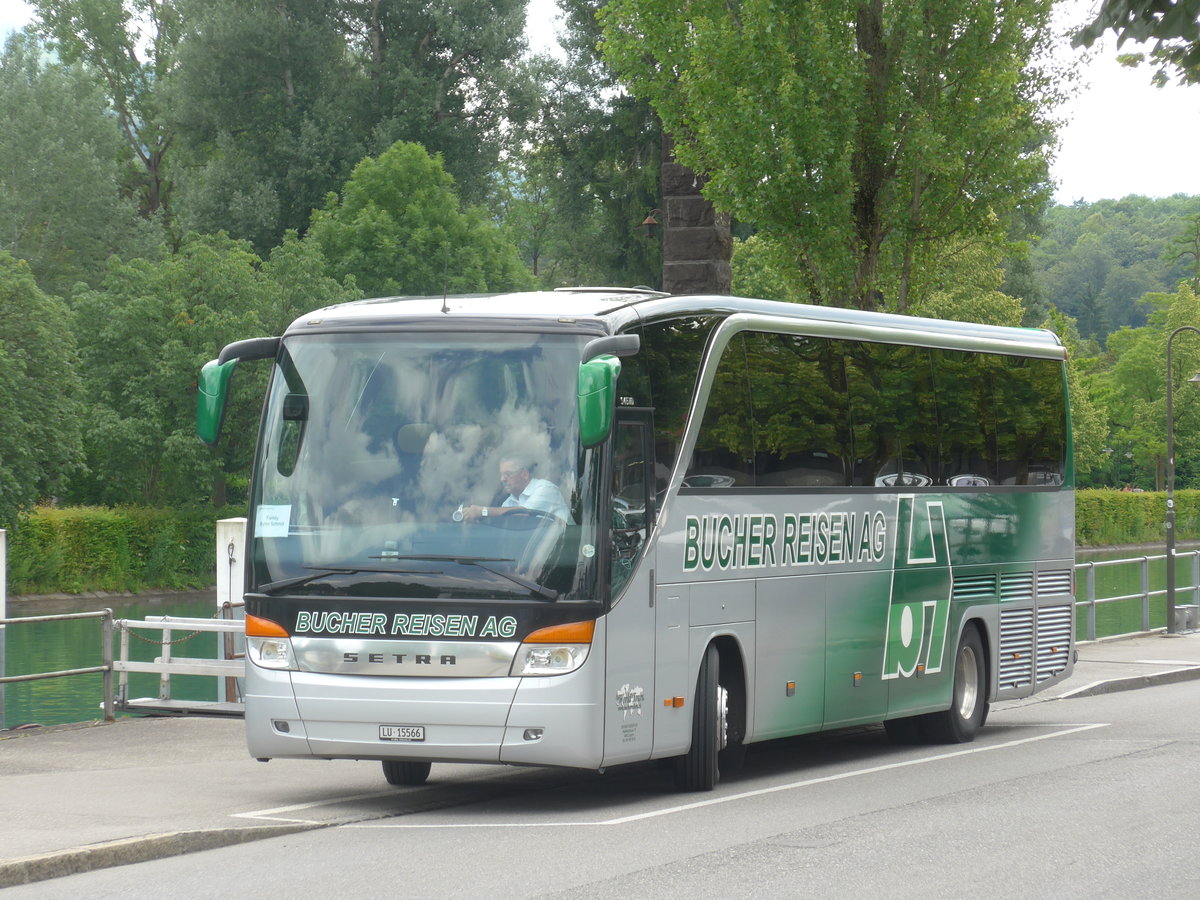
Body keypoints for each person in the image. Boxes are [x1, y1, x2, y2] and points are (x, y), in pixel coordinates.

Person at [460, 457, 572, 523]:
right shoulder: (509, 503)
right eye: (501, 475)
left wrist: (482, 512)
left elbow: (524, 514)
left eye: (508, 474)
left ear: (524, 474)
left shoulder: (546, 489)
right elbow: (504, 526)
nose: (502, 479)